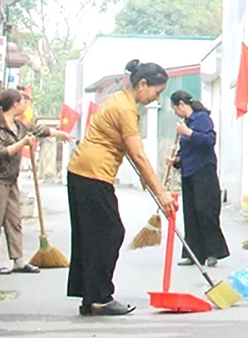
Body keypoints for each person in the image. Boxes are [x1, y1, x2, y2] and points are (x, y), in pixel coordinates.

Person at [66, 59, 173, 316]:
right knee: (110, 232)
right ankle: (100, 297)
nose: (155, 98)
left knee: (93, 236)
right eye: (156, 92)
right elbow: (138, 154)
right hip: (93, 173)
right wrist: (161, 193)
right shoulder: (126, 110)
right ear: (142, 84)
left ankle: (92, 297)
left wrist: (150, 182)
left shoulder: (118, 100)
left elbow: (125, 148)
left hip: (82, 170)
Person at [0, 88, 72, 275]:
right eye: (22, 101)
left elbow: (38, 130)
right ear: (14, 104)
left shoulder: (19, 125)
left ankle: (18, 260)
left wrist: (59, 134)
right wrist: (22, 143)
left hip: (10, 179)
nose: (25, 105)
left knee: (14, 220)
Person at [168, 90, 229, 268]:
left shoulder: (201, 118)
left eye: (175, 108)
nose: (176, 113)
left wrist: (189, 133)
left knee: (205, 211)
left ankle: (213, 252)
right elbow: (186, 150)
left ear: (181, 104)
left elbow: (209, 141)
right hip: (189, 172)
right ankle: (193, 253)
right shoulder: (186, 123)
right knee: (191, 213)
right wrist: (176, 159)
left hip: (204, 170)